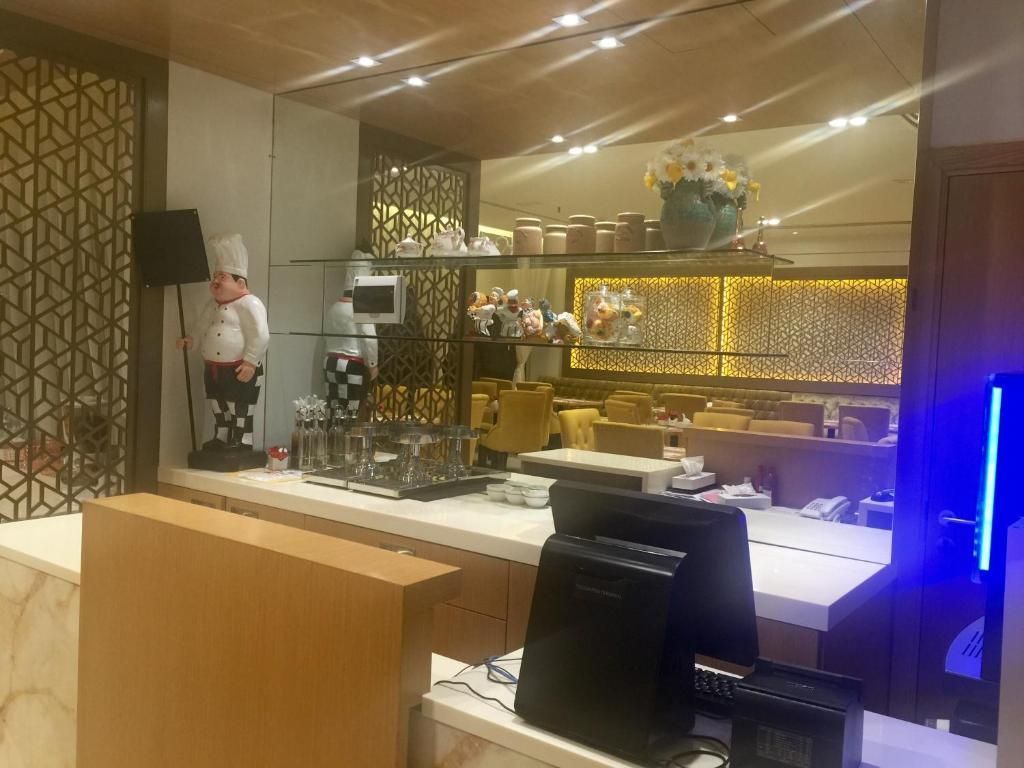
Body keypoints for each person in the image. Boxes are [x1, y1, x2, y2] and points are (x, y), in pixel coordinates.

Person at [176, 234, 269, 450]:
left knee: (239, 405)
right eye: (215, 276)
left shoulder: (250, 303)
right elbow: (202, 325)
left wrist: (250, 361)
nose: (216, 282)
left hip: (241, 367)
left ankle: (242, 439)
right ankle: (222, 435)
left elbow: (261, 335)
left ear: (240, 283)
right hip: (214, 367)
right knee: (217, 402)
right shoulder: (212, 304)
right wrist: (191, 340)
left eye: (222, 277)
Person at [324, 264, 379, 419]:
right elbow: (370, 339)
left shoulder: (333, 308)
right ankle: (346, 434)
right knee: (351, 410)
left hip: (330, 363)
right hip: (352, 365)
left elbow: (326, 335)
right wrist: (373, 364)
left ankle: (333, 433)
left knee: (333, 407)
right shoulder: (361, 309)